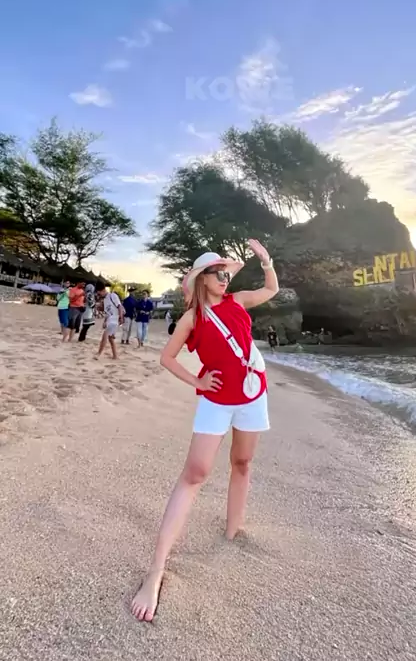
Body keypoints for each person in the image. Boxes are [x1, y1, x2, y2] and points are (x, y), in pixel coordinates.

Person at [131, 238, 279, 622]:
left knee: (243, 462)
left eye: (226, 273)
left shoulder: (238, 301)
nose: (225, 279)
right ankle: (156, 570)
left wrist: (266, 261)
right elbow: (167, 358)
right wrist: (197, 381)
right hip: (216, 400)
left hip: (252, 393)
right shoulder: (192, 318)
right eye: (217, 273)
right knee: (195, 474)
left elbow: (271, 289)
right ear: (201, 279)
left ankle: (233, 532)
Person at [96, 284, 124, 360]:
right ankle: (115, 356)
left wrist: (121, 317)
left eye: (99, 293)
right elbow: (107, 312)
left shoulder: (113, 296)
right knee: (110, 338)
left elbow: (119, 306)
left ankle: (98, 354)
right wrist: (105, 321)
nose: (99, 295)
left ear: (103, 290)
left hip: (114, 320)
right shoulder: (105, 300)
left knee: (105, 336)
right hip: (110, 320)